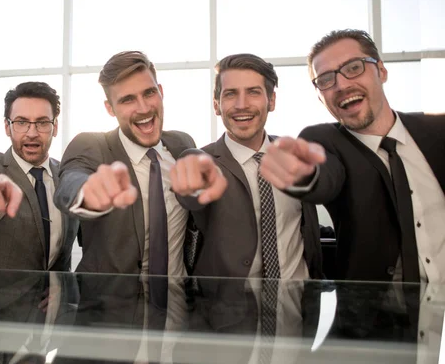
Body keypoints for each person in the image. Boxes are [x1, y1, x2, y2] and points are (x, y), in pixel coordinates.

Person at [259, 29, 445, 282]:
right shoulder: (323, 139)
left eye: (354, 67)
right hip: (369, 315)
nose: (342, 85)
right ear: (319, 94)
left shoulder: (437, 130)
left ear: (381, 70)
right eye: (325, 79)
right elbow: (325, 177)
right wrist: (305, 175)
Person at [54, 50, 226, 276]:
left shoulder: (182, 143)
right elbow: (70, 182)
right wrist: (87, 193)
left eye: (149, 93)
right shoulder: (92, 145)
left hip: (178, 304)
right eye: (127, 99)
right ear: (110, 108)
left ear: (161, 92)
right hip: (109, 307)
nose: (143, 108)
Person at [172, 53, 323, 279]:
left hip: (298, 306)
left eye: (253, 92)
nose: (242, 105)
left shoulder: (296, 157)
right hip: (226, 310)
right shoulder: (202, 162)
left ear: (271, 101)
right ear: (216, 105)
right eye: (231, 94)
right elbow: (190, 193)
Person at [0, 82, 79, 271]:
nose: (32, 133)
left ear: (55, 127)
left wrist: (61, 290)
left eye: (42, 122)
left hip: (57, 299)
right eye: (21, 122)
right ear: (8, 127)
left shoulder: (67, 175)